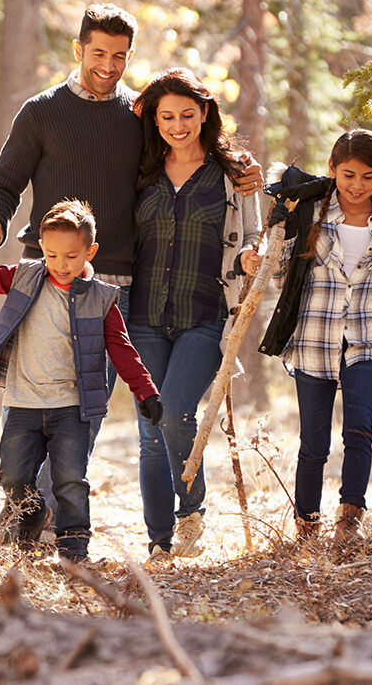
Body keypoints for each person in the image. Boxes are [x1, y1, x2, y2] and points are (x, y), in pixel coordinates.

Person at [0, 2, 261, 539]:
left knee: (87, 410)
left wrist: (242, 169)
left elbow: (188, 151)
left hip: (118, 288)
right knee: (41, 400)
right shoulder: (40, 112)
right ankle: (23, 508)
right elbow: (4, 182)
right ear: (78, 49)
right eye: (98, 52)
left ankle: (38, 516)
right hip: (48, 280)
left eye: (120, 56)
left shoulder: (138, 115)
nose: (108, 64)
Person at [0, 200, 163, 563]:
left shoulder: (102, 298)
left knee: (69, 481)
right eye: (51, 255)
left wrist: (146, 391)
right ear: (42, 250)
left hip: (72, 408)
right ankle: (31, 513)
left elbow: (122, 349)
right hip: (22, 404)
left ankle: (74, 549)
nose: (61, 265)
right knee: (12, 477)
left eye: (71, 256)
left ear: (90, 252)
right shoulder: (26, 277)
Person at [256, 129, 372, 547]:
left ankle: (350, 520)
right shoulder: (311, 213)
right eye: (348, 174)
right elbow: (278, 279)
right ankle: (306, 526)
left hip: (366, 341)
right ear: (332, 170)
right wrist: (279, 235)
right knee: (314, 442)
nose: (357, 185)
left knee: (360, 432)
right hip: (314, 340)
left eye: (369, 176)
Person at [127, 69, 262, 564]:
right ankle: (158, 540)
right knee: (149, 428)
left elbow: (254, 234)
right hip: (142, 316)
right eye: (167, 116)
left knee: (178, 411)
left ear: (204, 113)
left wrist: (252, 255)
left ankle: (191, 507)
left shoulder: (233, 174)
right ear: (155, 120)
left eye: (187, 114)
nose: (178, 125)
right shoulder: (140, 168)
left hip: (205, 315)